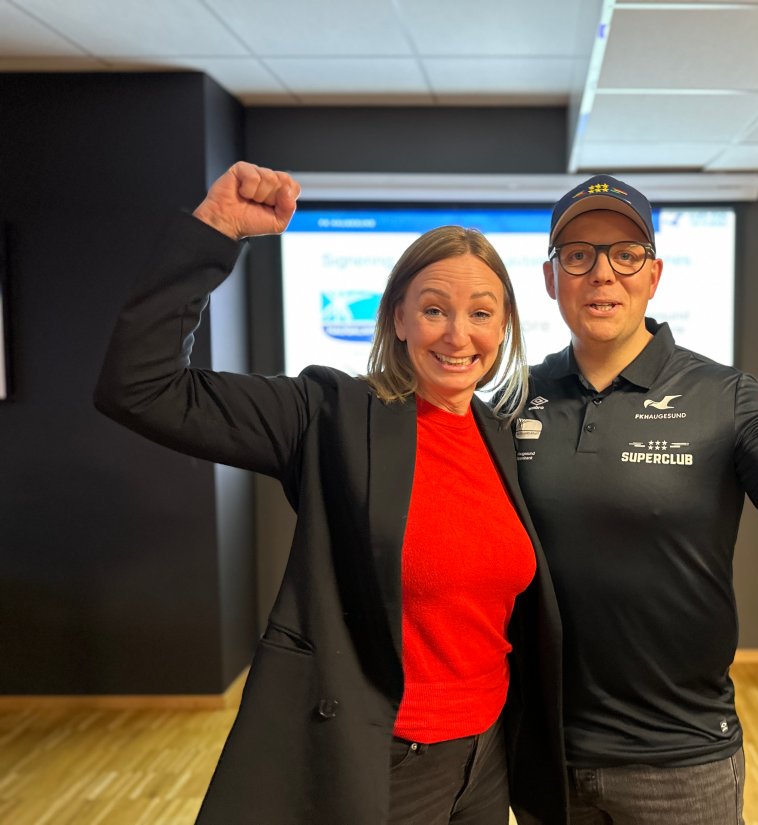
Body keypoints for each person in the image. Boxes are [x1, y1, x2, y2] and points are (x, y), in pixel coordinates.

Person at [93, 162, 567, 825]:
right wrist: (215, 232)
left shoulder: (503, 436)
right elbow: (140, 386)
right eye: (434, 309)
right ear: (399, 317)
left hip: (486, 756)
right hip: (384, 761)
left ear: (504, 326)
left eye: (480, 313)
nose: (459, 335)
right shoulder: (330, 412)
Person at [512, 174, 758, 824]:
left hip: (679, 763)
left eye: (625, 253)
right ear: (552, 278)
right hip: (542, 749)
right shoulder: (514, 398)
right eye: (578, 254)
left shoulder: (728, 398)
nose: (602, 273)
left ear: (653, 274)